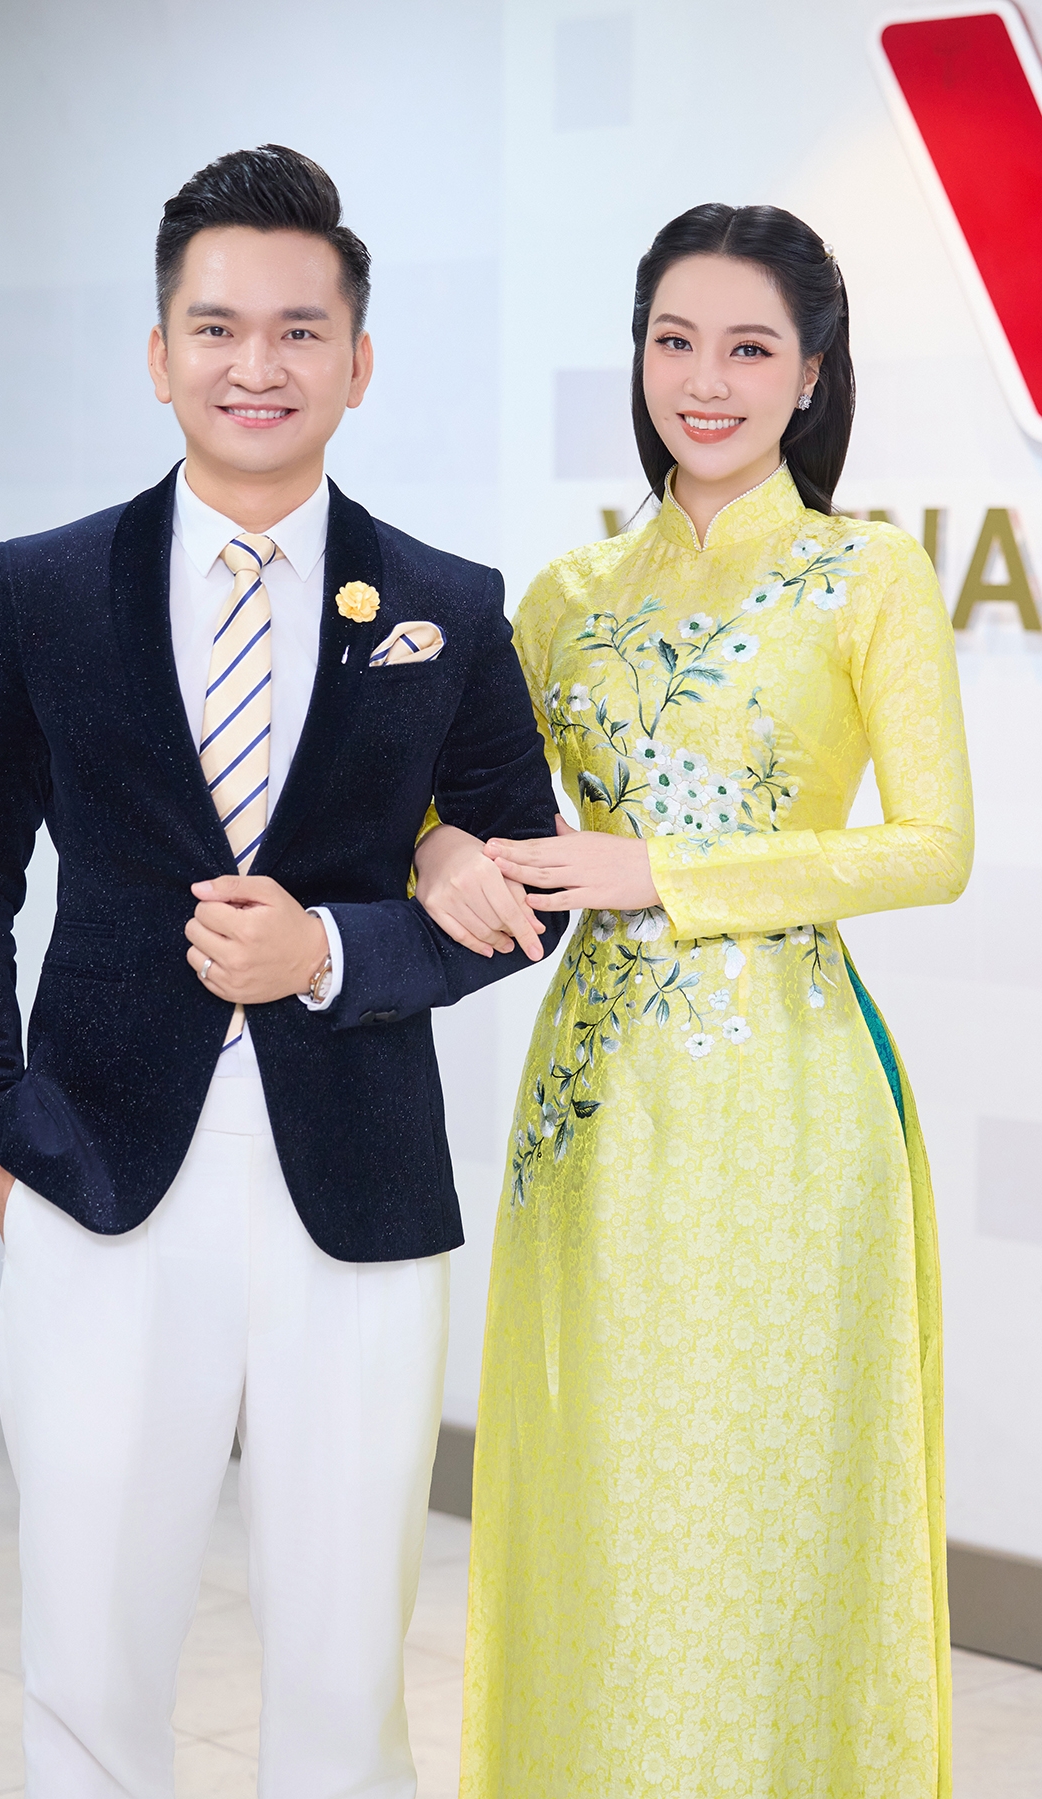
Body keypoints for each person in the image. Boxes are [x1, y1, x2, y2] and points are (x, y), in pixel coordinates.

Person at [0, 144, 564, 1799]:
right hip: (92, 1174)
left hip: (357, 1181)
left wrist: (332, 949)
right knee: (91, 1652)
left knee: (345, 1666)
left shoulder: (445, 605)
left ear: (358, 361)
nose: (254, 365)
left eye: (297, 331)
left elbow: (529, 889)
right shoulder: (47, 587)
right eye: (216, 328)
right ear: (160, 355)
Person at [414, 204, 972, 1797]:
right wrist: (446, 846)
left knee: (767, 1517)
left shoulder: (870, 575)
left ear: (811, 375)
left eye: (747, 349)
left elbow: (933, 848)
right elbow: (439, 803)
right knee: (601, 1497)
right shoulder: (567, 596)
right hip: (596, 1116)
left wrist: (661, 869)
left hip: (789, 1105)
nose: (705, 382)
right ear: (640, 356)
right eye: (675, 341)